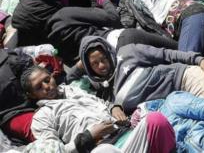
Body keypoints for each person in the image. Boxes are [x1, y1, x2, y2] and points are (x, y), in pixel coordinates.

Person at [22, 65, 176, 153]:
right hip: (101, 147)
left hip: (125, 134)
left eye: (47, 80)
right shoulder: (41, 117)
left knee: (156, 119)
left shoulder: (73, 89)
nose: (47, 86)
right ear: (32, 95)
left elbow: (101, 103)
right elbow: (55, 150)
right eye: (39, 87)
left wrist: (114, 107)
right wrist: (88, 137)